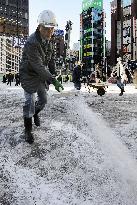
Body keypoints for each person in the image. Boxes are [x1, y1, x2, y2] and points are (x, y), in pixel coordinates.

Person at [19, 10, 64, 144]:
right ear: (39, 27)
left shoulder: (49, 40)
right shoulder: (32, 42)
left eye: (52, 29)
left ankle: (35, 113)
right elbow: (38, 65)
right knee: (29, 102)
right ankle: (28, 130)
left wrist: (54, 73)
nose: (50, 32)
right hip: (29, 74)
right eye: (47, 29)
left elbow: (50, 60)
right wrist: (53, 80)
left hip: (41, 74)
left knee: (43, 100)